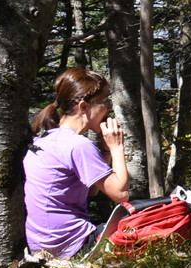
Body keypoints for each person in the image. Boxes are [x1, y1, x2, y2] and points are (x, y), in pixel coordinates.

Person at [25, 66, 131, 258]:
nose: (108, 108)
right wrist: (116, 148)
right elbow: (121, 194)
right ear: (84, 107)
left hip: (43, 245)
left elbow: (91, 190)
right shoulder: (77, 145)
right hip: (74, 244)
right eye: (104, 101)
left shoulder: (46, 139)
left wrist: (105, 151)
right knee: (153, 218)